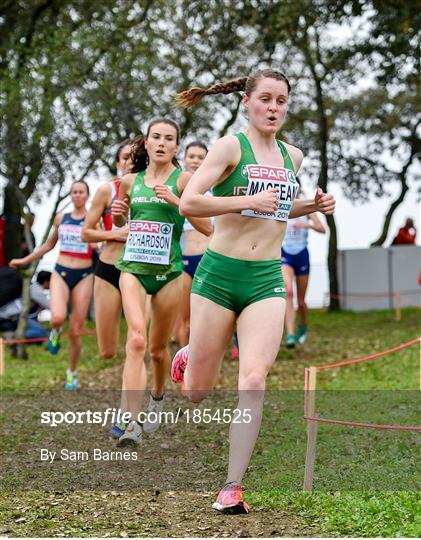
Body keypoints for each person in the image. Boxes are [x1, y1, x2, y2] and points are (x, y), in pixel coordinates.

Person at [170, 68, 335, 514]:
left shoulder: (292, 156)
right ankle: (190, 353)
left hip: (265, 279)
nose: (273, 108)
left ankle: (231, 486)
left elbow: (279, 208)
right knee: (198, 392)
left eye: (281, 101)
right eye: (265, 99)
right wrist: (243, 200)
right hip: (218, 277)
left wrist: (312, 205)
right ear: (247, 101)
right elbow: (191, 203)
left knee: (254, 379)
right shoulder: (229, 147)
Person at [111, 118, 212, 445]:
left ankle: (156, 397)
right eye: (156, 137)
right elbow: (120, 218)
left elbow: (208, 227)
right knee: (136, 340)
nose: (161, 143)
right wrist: (115, 214)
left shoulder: (183, 180)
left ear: (176, 146)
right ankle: (132, 423)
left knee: (156, 350)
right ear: (147, 141)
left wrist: (175, 200)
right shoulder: (129, 182)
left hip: (168, 272)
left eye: (169, 138)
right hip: (133, 269)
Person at [9, 181, 95, 389]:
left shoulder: (93, 218)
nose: (77, 195)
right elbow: (49, 245)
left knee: (76, 330)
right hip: (61, 271)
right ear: (70, 195)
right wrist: (24, 260)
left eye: (81, 192)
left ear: (87, 195)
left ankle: (71, 373)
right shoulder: (61, 218)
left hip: (84, 274)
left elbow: (100, 243)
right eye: (74, 192)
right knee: (57, 317)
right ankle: (55, 332)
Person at [81, 138, 134, 359]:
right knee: (107, 351)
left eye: (136, 157)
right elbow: (86, 233)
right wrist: (114, 234)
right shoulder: (106, 190)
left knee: (140, 343)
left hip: (141, 268)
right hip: (108, 268)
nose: (131, 162)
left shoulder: (155, 189)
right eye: (125, 158)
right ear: (117, 163)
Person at [174, 141, 210, 346]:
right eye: (192, 156)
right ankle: (183, 369)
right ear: (184, 159)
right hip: (183, 259)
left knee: (209, 317)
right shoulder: (176, 189)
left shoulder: (214, 188)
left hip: (209, 258)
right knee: (184, 319)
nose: (196, 161)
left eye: (201, 157)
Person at [281, 180, 325, 347]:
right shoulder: (282, 204)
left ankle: (302, 325)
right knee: (288, 293)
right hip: (285, 254)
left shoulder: (307, 206)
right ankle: (290, 334)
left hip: (301, 255)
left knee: (301, 301)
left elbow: (322, 228)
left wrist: (306, 223)